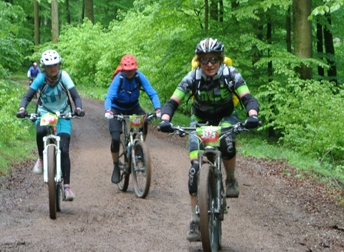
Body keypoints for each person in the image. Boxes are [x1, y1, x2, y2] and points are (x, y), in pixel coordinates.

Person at [158, 38, 261, 241]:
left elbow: (247, 97)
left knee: (228, 143)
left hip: (225, 117)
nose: (210, 64)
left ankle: (230, 179)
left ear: (221, 60)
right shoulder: (193, 77)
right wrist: (165, 120)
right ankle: (195, 220)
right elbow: (173, 101)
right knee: (195, 170)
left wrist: (253, 115)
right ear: (199, 61)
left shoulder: (231, 74)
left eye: (214, 59)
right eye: (204, 60)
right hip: (200, 120)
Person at [17, 50, 85, 201]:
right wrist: (22, 108)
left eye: (55, 65)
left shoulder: (64, 76)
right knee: (41, 130)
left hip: (63, 114)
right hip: (45, 113)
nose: (52, 68)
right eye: (49, 66)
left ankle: (67, 187)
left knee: (64, 148)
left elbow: (75, 96)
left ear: (59, 65)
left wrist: (78, 108)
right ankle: (41, 158)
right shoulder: (41, 78)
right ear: (44, 67)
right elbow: (27, 96)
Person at [104, 54, 161, 184]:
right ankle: (116, 165)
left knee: (145, 120)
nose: (129, 73)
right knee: (115, 138)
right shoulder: (119, 78)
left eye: (132, 70)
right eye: (127, 70)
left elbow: (152, 92)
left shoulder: (139, 76)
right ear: (123, 69)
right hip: (117, 109)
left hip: (134, 107)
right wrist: (108, 110)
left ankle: (140, 147)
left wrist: (157, 108)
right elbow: (110, 95)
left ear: (135, 68)